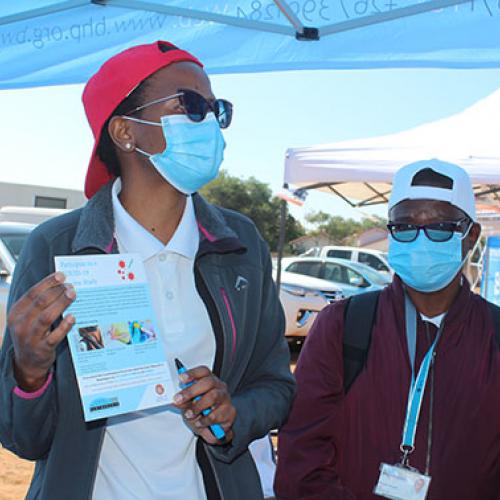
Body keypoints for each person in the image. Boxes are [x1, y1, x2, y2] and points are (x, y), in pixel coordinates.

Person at [0, 40, 295, 500]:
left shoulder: (241, 246)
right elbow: (24, 438)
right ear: (124, 131)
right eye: (192, 105)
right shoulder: (58, 249)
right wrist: (30, 369)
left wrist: (234, 410)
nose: (210, 123)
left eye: (217, 109)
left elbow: (276, 385)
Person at [275, 159, 500, 499]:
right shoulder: (343, 325)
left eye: (440, 226)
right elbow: (302, 457)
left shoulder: (494, 335)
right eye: (405, 226)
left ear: (470, 237)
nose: (420, 238)